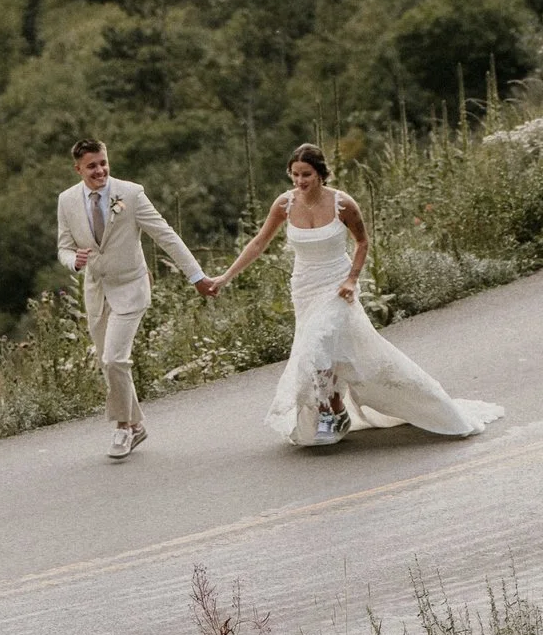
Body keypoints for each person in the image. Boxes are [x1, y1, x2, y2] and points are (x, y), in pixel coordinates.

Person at [203, 143, 501, 451]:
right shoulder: (284, 204)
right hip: (304, 288)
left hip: (337, 284)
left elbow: (362, 242)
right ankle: (335, 408)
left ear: (320, 174)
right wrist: (224, 277)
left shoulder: (342, 204)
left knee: (317, 344)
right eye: (294, 175)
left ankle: (333, 411)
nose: (299, 181)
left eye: (306, 174)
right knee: (326, 351)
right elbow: (258, 243)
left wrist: (351, 279)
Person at [56, 136, 213, 460]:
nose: (99, 171)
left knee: (115, 358)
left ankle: (123, 427)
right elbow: (63, 246)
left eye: (103, 163)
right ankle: (137, 425)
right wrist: (74, 261)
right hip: (96, 290)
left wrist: (197, 277)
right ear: (78, 169)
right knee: (108, 362)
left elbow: (165, 235)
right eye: (91, 167)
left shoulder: (130, 194)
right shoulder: (67, 200)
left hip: (130, 287)